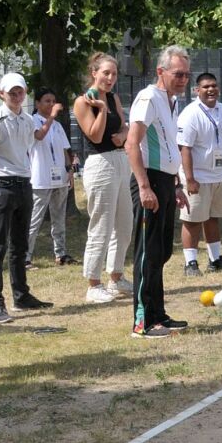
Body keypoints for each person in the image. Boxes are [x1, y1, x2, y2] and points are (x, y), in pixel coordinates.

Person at [124, 45, 192, 338]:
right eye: (178, 74)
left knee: (161, 251)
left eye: (187, 75)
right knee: (146, 253)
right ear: (161, 72)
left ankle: (158, 314)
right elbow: (131, 143)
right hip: (148, 181)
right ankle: (142, 322)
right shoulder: (148, 97)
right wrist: (143, 186)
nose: (183, 80)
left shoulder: (171, 101)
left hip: (165, 182)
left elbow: (167, 147)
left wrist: (175, 184)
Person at [0, 73, 52, 324]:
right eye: (11, 92)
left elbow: (32, 142)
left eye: (20, 91)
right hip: (2, 185)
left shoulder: (27, 119)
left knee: (20, 244)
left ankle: (21, 295)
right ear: (1, 93)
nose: (17, 96)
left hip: (24, 182)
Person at [74, 53, 132, 304]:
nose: (110, 78)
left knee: (124, 224)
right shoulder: (83, 102)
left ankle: (116, 277)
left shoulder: (113, 97)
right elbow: (95, 136)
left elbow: (126, 126)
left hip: (120, 161)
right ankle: (93, 283)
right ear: (94, 73)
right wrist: (101, 111)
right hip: (100, 164)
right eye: (105, 73)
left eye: (114, 74)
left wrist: (123, 134)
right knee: (102, 225)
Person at [177, 72, 222, 277]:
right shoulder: (190, 114)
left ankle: (215, 260)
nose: (211, 90)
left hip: (221, 175)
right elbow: (185, 149)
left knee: (213, 217)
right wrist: (189, 179)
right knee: (192, 220)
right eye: (206, 86)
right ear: (197, 90)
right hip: (198, 177)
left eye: (214, 86)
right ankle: (190, 263)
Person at [27, 87, 77, 267]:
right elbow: (39, 136)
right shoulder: (32, 121)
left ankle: (61, 254)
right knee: (35, 218)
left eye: (53, 101)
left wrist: (69, 169)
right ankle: (26, 256)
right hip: (40, 178)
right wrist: (52, 116)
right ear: (37, 103)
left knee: (59, 217)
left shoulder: (57, 125)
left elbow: (65, 150)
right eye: (47, 101)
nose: (51, 104)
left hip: (59, 177)